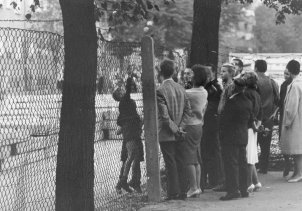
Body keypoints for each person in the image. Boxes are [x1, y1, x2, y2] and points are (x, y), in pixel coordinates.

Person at [157, 59, 192, 200]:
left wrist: (175, 129)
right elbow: (188, 111)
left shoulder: (160, 90)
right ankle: (183, 191)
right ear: (174, 72)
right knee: (180, 161)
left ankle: (172, 192)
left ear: (160, 72)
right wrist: (181, 128)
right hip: (180, 132)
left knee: (170, 162)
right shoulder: (181, 88)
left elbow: (164, 116)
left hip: (167, 133)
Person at [220, 78, 253, 201]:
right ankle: (244, 189)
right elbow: (250, 120)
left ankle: (233, 190)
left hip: (230, 135)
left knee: (231, 163)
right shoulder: (248, 101)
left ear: (234, 87)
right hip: (243, 135)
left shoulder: (231, 102)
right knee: (242, 163)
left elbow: (224, 120)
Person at [182, 65, 208, 197]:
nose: (189, 76)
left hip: (190, 126)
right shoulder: (204, 92)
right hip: (199, 125)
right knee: (196, 157)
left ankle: (193, 187)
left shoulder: (188, 93)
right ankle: (197, 186)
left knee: (188, 158)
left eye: (191, 74)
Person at [115, 77, 144, 194]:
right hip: (131, 133)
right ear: (119, 97)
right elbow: (127, 92)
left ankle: (130, 182)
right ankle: (124, 181)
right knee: (131, 156)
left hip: (133, 132)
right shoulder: (124, 102)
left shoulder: (125, 106)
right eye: (119, 92)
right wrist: (129, 82)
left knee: (134, 157)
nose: (122, 91)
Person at [255, 60, 280, 174]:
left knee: (253, 143)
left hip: (256, 117)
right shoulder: (272, 82)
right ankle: (264, 167)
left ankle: (253, 167)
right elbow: (277, 99)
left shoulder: (253, 81)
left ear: (255, 68)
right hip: (268, 117)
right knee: (265, 145)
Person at [201, 64, 224, 189]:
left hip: (210, 123)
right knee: (211, 151)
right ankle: (213, 179)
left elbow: (211, 106)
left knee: (210, 151)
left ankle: (214, 179)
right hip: (211, 123)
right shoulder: (213, 87)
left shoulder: (212, 88)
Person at [280, 60, 302, 183]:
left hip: (295, 122)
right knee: (298, 148)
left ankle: (299, 173)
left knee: (296, 149)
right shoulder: (299, 83)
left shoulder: (294, 86)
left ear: (289, 69)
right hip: (300, 120)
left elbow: (291, 107)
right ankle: (296, 172)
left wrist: (287, 122)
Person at [242, 71, 263, 192]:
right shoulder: (256, 94)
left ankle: (248, 183)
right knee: (252, 155)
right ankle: (256, 182)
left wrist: (253, 124)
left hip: (248, 126)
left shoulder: (246, 93)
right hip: (254, 127)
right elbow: (260, 111)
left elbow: (248, 112)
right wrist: (258, 124)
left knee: (248, 156)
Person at [279, 68, 293, 177]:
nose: (285, 75)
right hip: (283, 114)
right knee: (282, 140)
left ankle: (289, 163)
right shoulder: (283, 85)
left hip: (287, 115)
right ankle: (287, 162)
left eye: (287, 73)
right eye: (284, 73)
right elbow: (280, 101)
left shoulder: (291, 85)